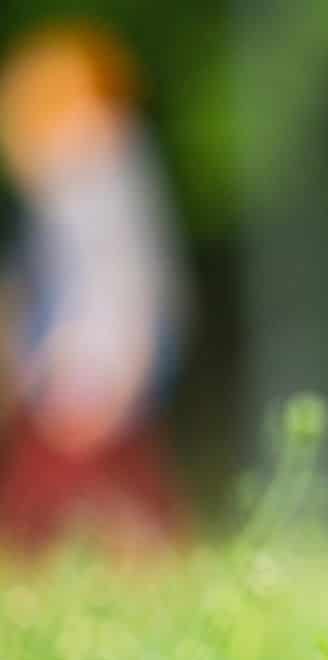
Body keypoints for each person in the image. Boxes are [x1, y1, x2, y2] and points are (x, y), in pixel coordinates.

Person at [0, 22, 189, 554]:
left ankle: (145, 563)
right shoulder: (95, 179)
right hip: (88, 364)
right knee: (102, 485)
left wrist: (109, 373)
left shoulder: (92, 180)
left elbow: (122, 282)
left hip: (92, 366)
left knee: (60, 492)